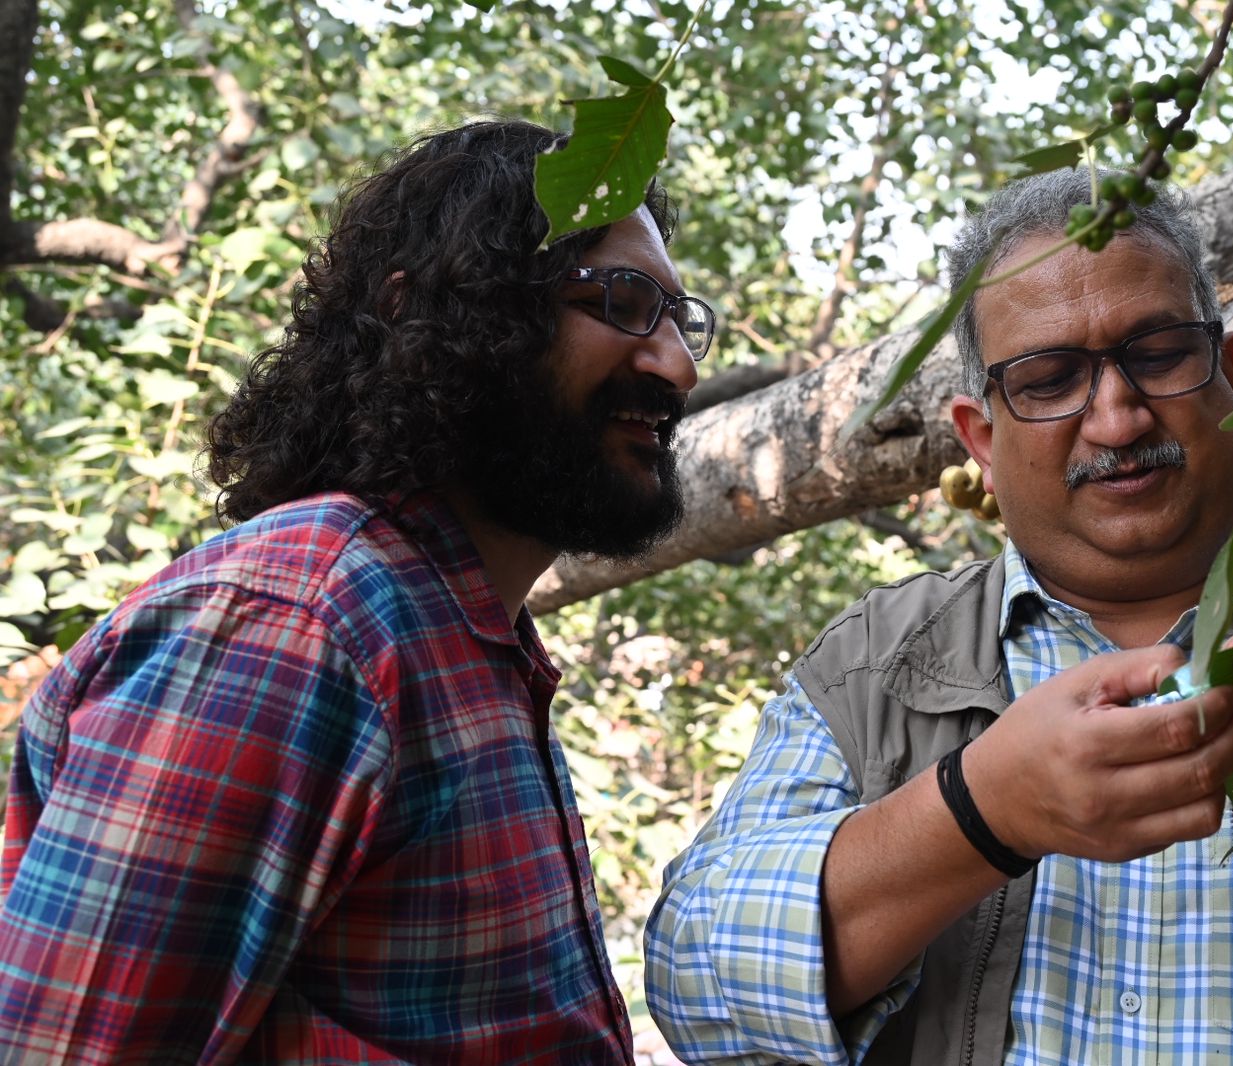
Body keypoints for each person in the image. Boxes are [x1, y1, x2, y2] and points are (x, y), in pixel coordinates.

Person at [643, 167, 1233, 1065]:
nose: (1116, 419)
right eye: (1050, 379)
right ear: (980, 435)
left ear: (1231, 374)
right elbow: (695, 990)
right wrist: (979, 812)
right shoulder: (869, 672)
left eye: (1157, 355)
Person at [0, 118, 715, 1063]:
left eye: (679, 317)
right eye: (621, 300)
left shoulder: (462, 631)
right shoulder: (298, 628)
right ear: (437, 313)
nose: (678, 365)